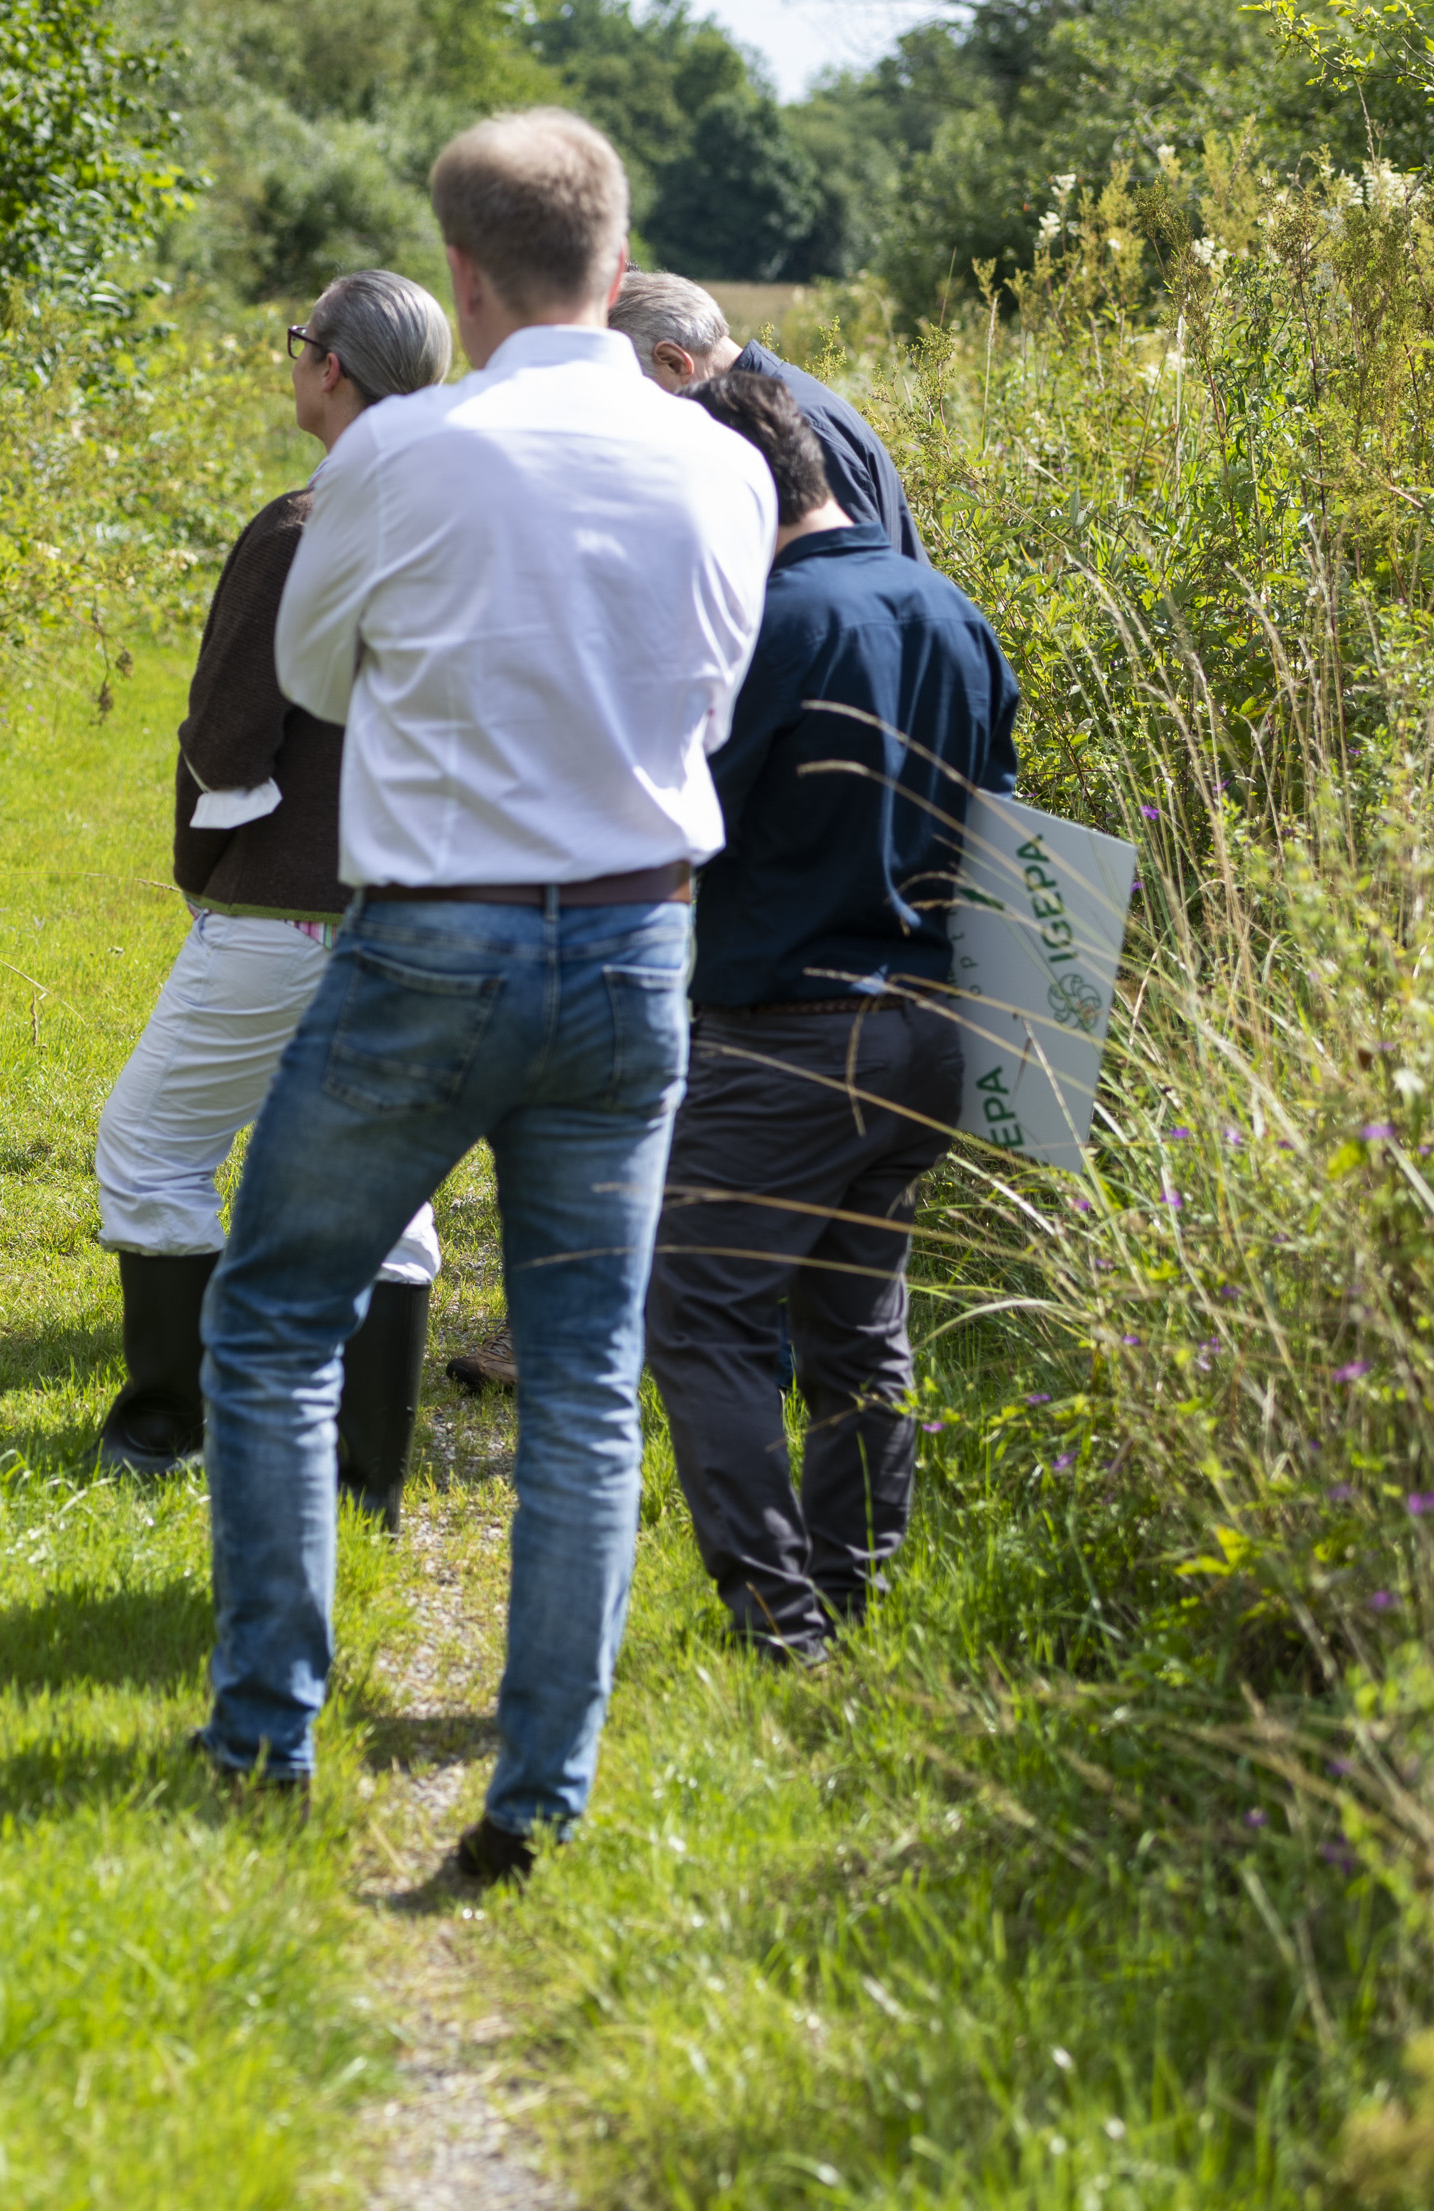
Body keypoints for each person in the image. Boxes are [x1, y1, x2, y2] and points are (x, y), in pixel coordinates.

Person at [187, 111, 775, 1891]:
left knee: (276, 1311)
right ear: (618, 258)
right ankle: (538, 1786)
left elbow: (309, 673)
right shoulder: (721, 468)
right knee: (587, 1375)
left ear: (454, 274)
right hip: (632, 938)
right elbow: (712, 699)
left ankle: (265, 1730)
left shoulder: (403, 457)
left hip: (429, 929)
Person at [640, 363, 1017, 1663]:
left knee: (700, 1316)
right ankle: (850, 1600)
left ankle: (779, 1623)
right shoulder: (952, 612)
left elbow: (680, 826)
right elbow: (1003, 831)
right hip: (934, 1026)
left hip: (788, 1036)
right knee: (858, 1330)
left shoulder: (768, 629)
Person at [92, 271, 452, 1519]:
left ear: (335, 370)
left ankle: (165, 1427)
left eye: (303, 343)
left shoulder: (306, 525)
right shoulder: (467, 524)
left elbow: (229, 729)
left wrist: (207, 862)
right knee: (385, 1182)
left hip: (290, 903)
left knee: (151, 1147)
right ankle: (369, 1481)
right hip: (425, 905)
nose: (295, 361)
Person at [607, 270, 923, 560]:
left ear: (674, 361)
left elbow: (854, 581)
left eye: (636, 388)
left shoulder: (793, 426)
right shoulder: (768, 411)